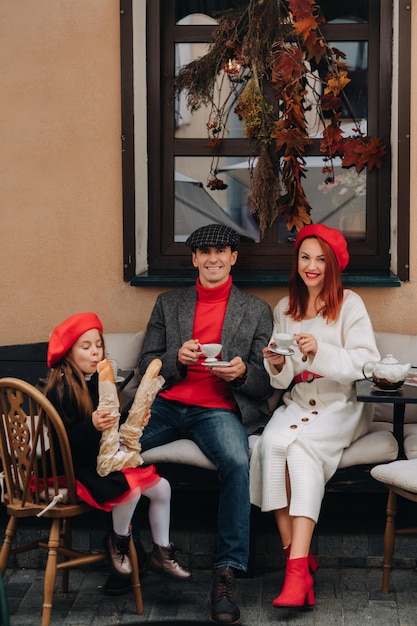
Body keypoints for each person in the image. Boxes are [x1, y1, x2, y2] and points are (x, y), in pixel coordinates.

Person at [138, 224, 273, 625]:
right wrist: (175, 360)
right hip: (166, 405)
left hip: (218, 410)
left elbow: (266, 381)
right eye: (205, 252)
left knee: (236, 461)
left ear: (234, 257)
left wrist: (241, 374)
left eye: (222, 251)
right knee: (115, 449)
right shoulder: (169, 303)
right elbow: (146, 364)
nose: (213, 258)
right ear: (195, 259)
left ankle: (226, 573)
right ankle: (125, 547)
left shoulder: (256, 310)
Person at [250, 224, 380, 609]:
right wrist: (276, 363)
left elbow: (365, 364)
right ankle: (300, 559)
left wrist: (318, 351)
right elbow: (285, 377)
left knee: (301, 451)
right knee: (269, 447)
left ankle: (294, 573)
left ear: (333, 265)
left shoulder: (350, 304)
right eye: (305, 257)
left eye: (321, 259)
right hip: (299, 402)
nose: (311, 266)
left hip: (343, 404)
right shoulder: (284, 309)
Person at [44, 312, 191, 595]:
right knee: (130, 490)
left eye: (98, 344)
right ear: (68, 352)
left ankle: (162, 551)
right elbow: (63, 439)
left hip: (101, 461)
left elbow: (111, 429)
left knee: (162, 488)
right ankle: (118, 543)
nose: (94, 351)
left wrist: (131, 423)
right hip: (72, 465)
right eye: (85, 346)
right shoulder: (60, 389)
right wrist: (92, 425)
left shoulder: (102, 382)